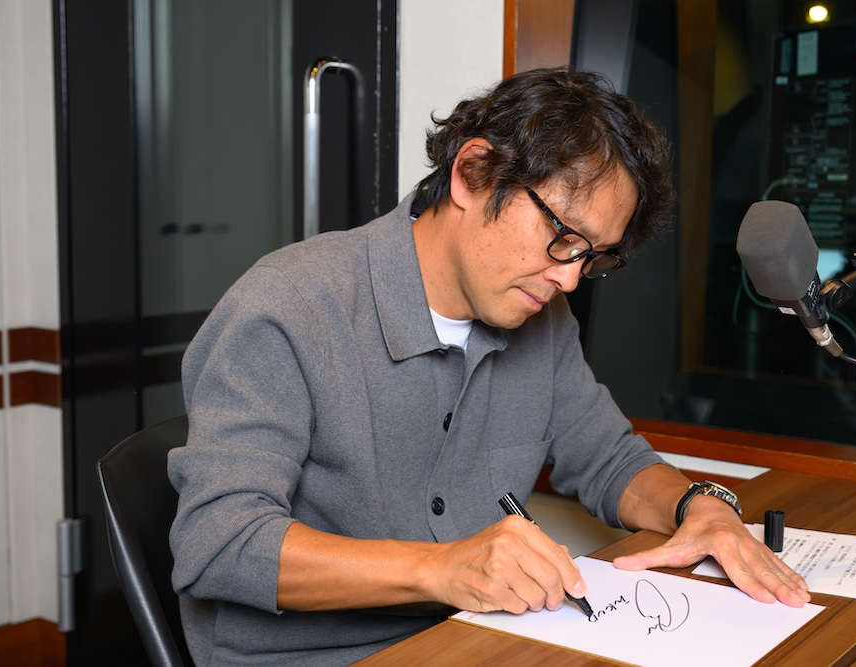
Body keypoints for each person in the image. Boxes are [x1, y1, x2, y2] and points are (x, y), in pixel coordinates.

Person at [168, 67, 810, 666]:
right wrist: (442, 569)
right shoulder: (288, 306)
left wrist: (700, 506)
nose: (569, 279)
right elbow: (219, 544)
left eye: (592, 257)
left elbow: (610, 459)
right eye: (563, 236)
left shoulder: (542, 319)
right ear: (472, 173)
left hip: (469, 641)